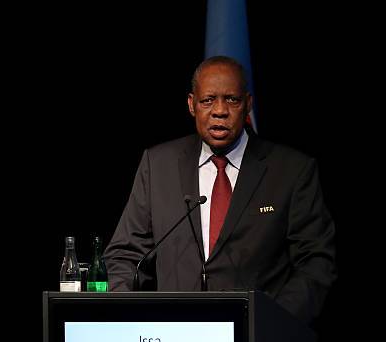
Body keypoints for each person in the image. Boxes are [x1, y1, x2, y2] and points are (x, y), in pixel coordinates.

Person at [103, 55, 336, 324]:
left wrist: (275, 322)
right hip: (173, 341)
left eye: (232, 100)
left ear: (248, 104)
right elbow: (124, 254)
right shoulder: (158, 165)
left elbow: (316, 263)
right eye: (208, 100)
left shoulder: (292, 171)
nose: (220, 111)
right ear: (192, 105)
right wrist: (123, 314)